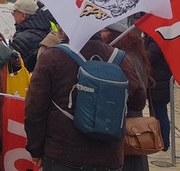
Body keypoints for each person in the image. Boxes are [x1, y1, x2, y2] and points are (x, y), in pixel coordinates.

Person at [25, 31, 146, 171]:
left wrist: (36, 149)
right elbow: (138, 102)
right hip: (109, 156)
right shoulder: (121, 59)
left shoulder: (52, 57)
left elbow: (34, 109)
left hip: (63, 153)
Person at [101, 22, 151, 171]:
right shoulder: (133, 53)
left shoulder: (124, 58)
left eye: (102, 31)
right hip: (132, 124)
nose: (100, 35)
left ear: (114, 33)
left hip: (127, 128)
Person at [145, 35, 172, 151]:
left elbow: (150, 57)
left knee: (159, 113)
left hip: (158, 83)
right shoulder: (162, 38)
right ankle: (161, 140)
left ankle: (164, 142)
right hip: (160, 82)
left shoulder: (157, 39)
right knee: (159, 112)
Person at [9, 0, 51, 72]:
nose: (12, 14)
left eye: (14, 12)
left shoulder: (21, 38)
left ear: (23, 16)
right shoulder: (45, 29)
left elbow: (11, 67)